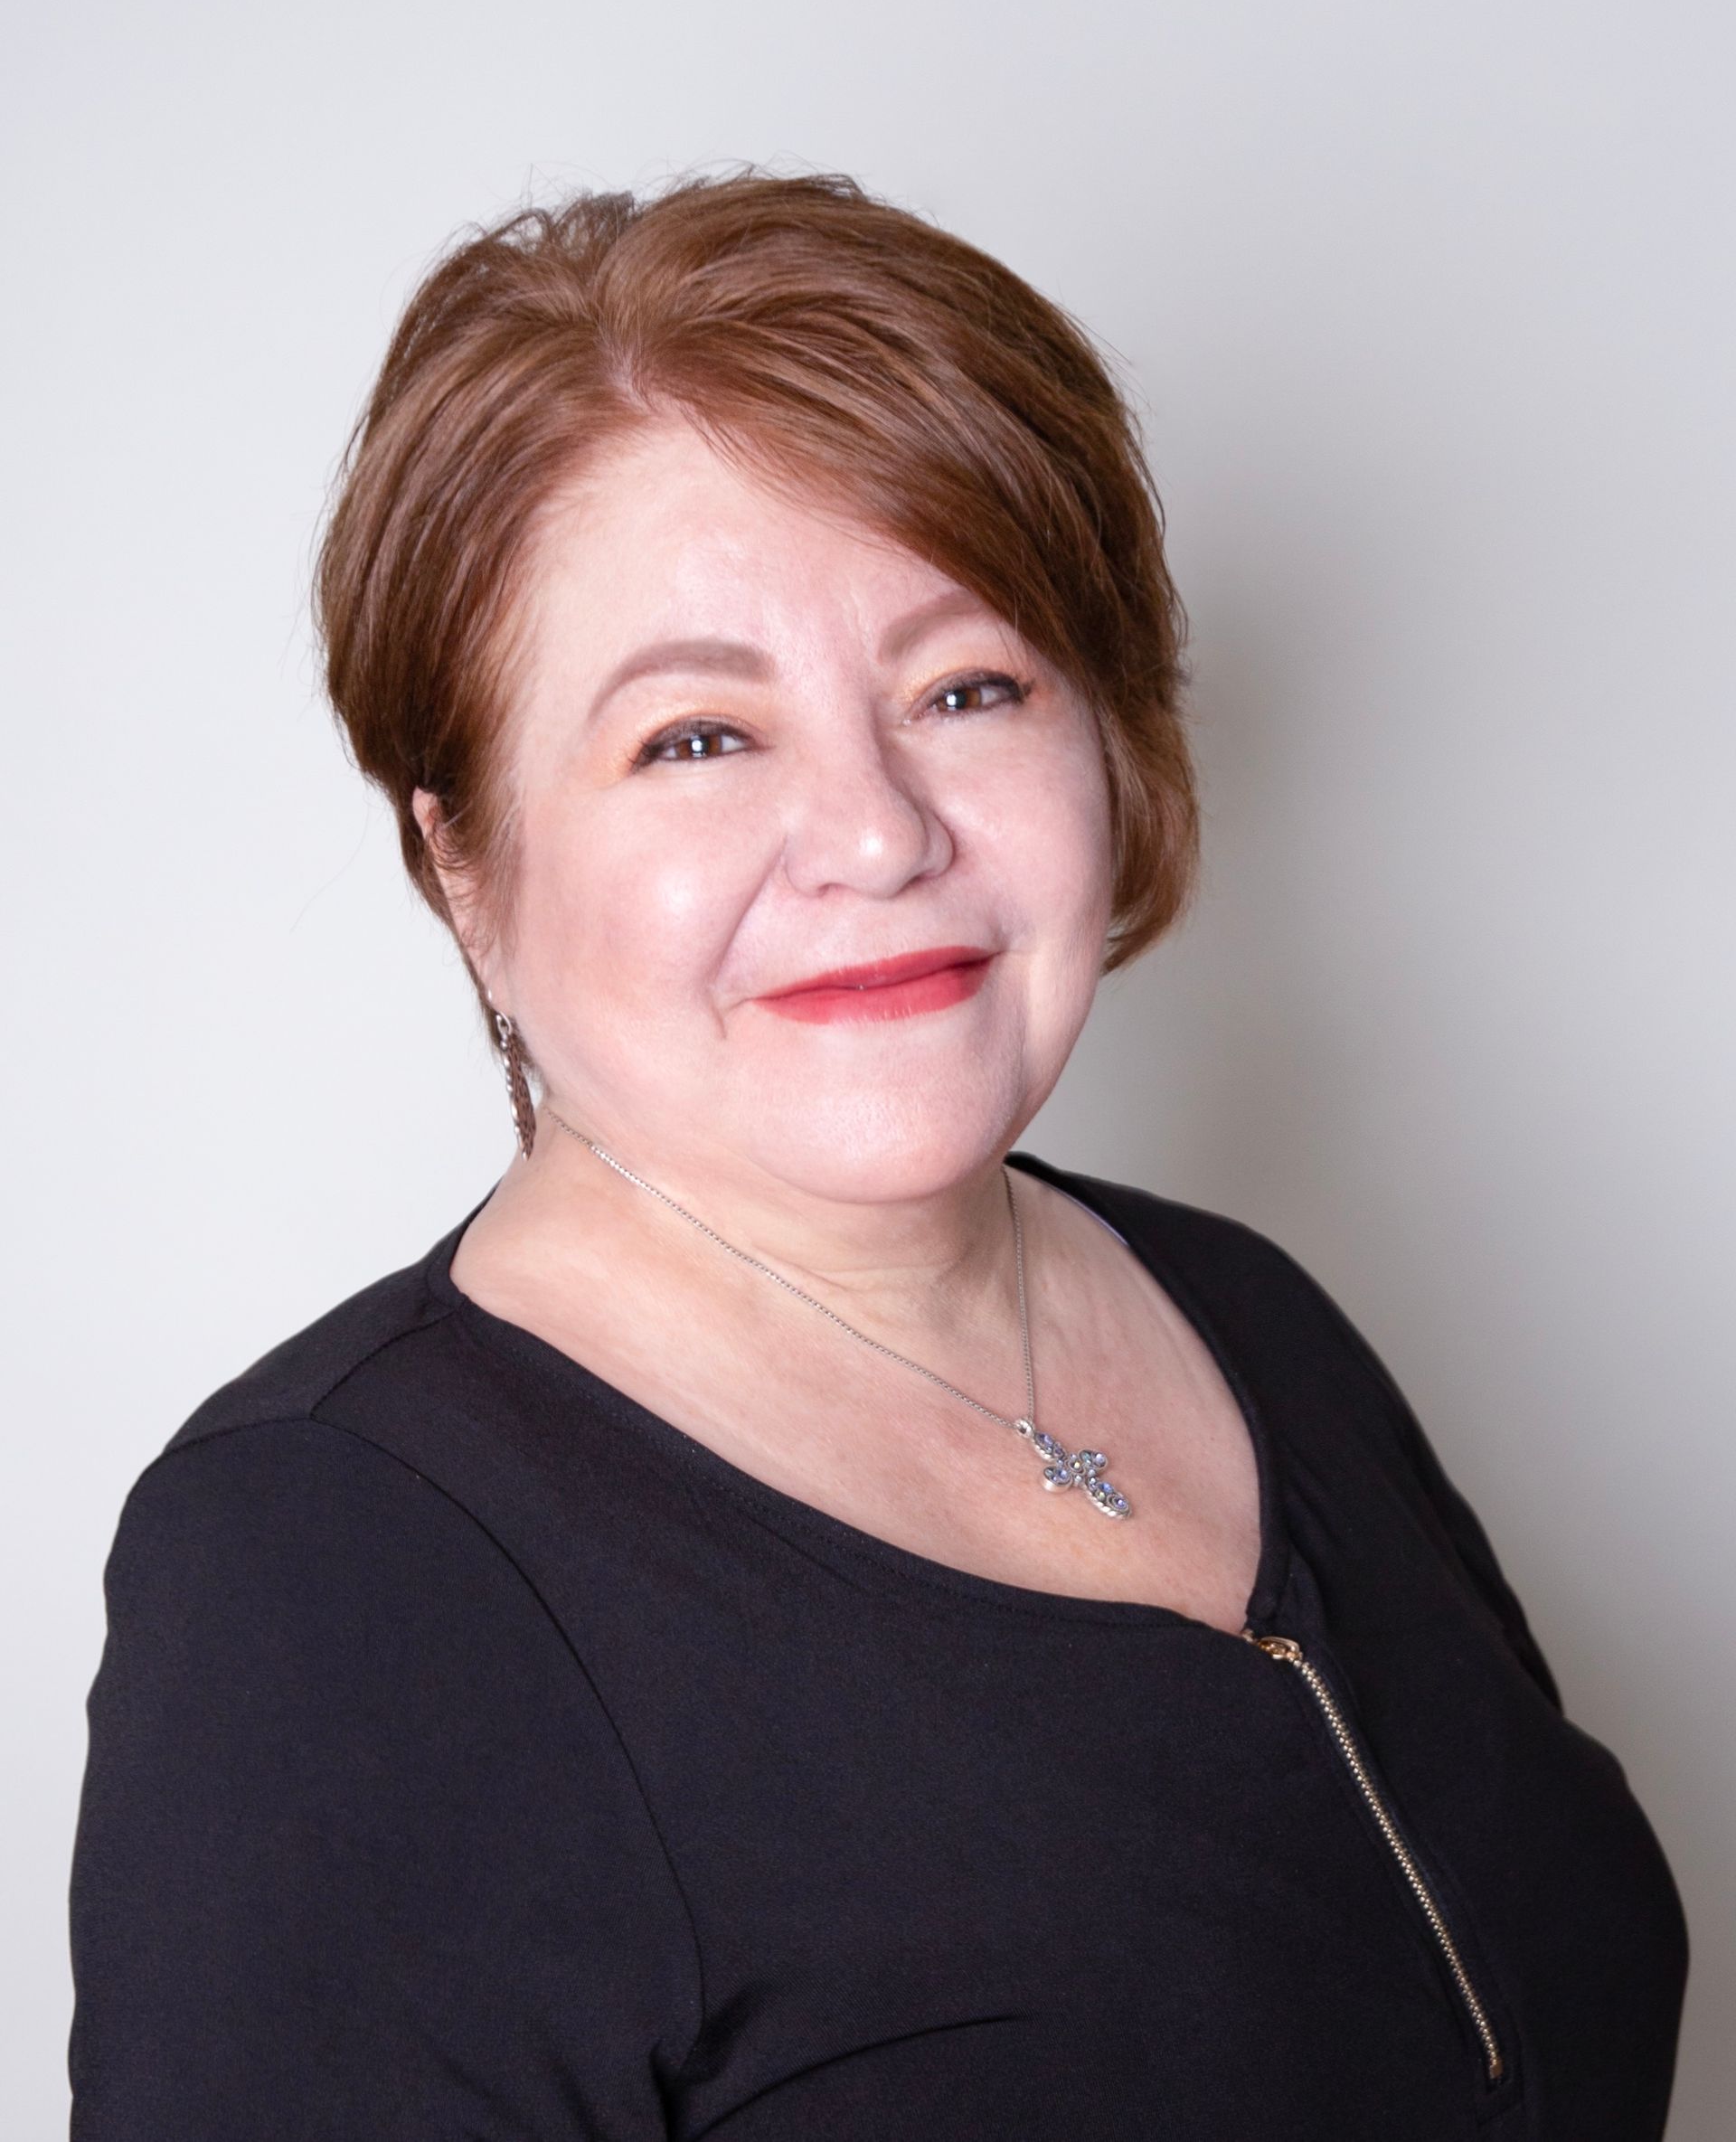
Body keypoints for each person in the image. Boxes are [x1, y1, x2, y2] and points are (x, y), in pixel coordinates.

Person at [67, 170, 1688, 2139]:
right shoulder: (336, 1579)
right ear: (465, 862)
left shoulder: (1250, 1315)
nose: (873, 831)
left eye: (968, 686)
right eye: (693, 736)